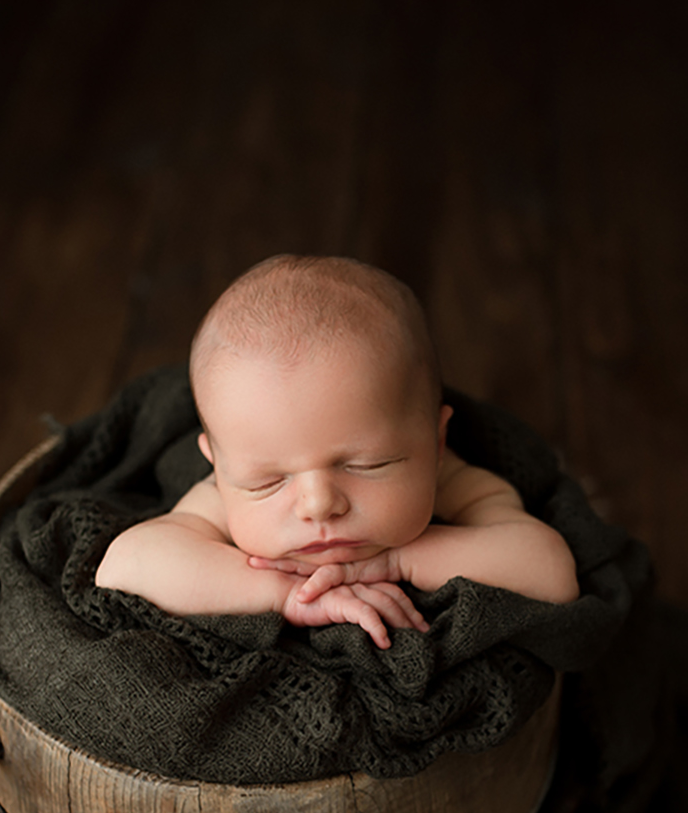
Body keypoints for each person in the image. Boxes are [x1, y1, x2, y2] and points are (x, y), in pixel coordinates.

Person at [96, 255, 578, 647]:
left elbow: (550, 570)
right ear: (218, 467)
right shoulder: (221, 496)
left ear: (435, 443)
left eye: (365, 465)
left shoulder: (453, 479)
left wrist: (395, 562)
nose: (318, 503)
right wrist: (290, 596)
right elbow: (127, 565)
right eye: (268, 482)